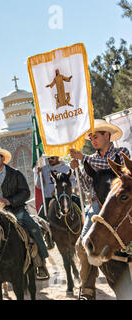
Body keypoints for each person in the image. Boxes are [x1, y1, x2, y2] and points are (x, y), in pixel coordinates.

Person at [69, 119, 130, 300]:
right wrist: (77, 170)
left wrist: (83, 158)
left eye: (96, 136)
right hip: (98, 204)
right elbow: (88, 186)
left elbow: (108, 164)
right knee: (82, 245)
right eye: (91, 138)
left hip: (121, 203)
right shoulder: (91, 160)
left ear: (107, 136)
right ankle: (88, 288)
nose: (92, 140)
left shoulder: (121, 153)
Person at [0, 145, 50, 280]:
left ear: (2, 158)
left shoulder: (15, 174)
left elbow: (25, 192)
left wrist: (10, 201)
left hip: (15, 209)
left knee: (34, 228)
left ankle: (40, 263)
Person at [36, 156, 80, 221]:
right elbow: (39, 186)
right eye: (48, 158)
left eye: (52, 158)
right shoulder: (43, 169)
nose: (50, 160)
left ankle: (84, 221)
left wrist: (64, 189)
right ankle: (43, 229)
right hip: (49, 198)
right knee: (40, 218)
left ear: (57, 157)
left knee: (79, 204)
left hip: (66, 195)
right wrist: (39, 175)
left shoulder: (66, 168)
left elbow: (73, 182)